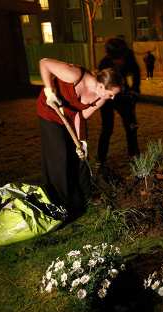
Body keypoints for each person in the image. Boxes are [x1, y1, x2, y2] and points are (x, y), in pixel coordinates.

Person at [37, 58, 122, 220]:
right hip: (49, 111)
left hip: (68, 118)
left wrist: (81, 142)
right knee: (60, 156)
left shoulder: (101, 98)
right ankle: (60, 202)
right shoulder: (75, 75)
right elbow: (44, 63)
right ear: (101, 86)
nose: (112, 98)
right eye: (111, 94)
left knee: (78, 157)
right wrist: (49, 91)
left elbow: (80, 116)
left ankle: (83, 196)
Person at [96, 38, 141, 173]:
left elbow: (136, 73)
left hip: (124, 94)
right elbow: (101, 86)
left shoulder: (129, 56)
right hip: (108, 97)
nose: (120, 61)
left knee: (131, 126)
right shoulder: (104, 63)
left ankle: (134, 155)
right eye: (116, 58)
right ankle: (101, 159)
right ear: (110, 56)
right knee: (107, 128)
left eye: (121, 57)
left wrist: (135, 90)